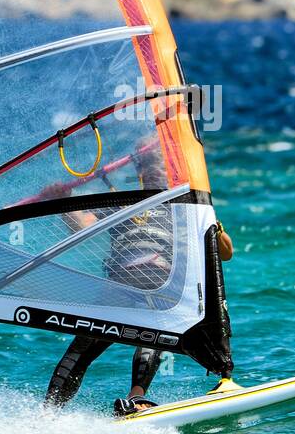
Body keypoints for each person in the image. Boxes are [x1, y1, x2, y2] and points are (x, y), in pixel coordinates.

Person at [43, 152, 234, 415]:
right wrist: (63, 200)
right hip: (121, 281)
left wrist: (212, 222)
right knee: (83, 346)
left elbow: (225, 253)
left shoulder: (186, 206)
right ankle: (48, 412)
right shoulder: (125, 201)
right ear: (140, 170)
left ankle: (136, 399)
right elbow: (81, 225)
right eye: (150, 164)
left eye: (162, 164)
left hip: (162, 280)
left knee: (153, 331)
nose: (157, 170)